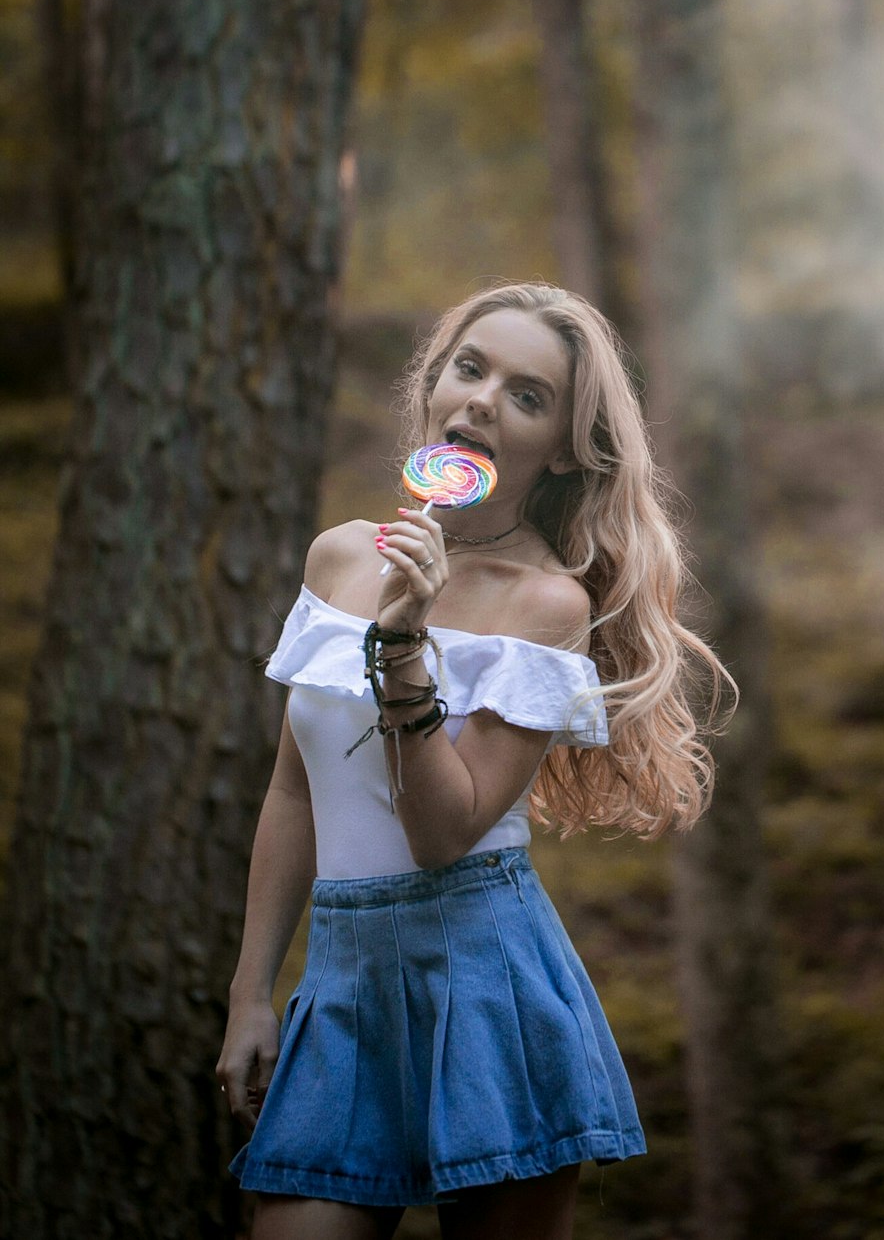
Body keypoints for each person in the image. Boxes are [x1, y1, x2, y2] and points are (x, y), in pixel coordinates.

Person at [217, 282, 734, 1240]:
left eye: (528, 395)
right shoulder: (337, 558)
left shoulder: (547, 607)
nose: (485, 399)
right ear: (432, 389)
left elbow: (445, 832)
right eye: (471, 367)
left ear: (564, 450)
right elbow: (294, 791)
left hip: (488, 979)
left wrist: (403, 648)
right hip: (341, 979)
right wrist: (253, 992)